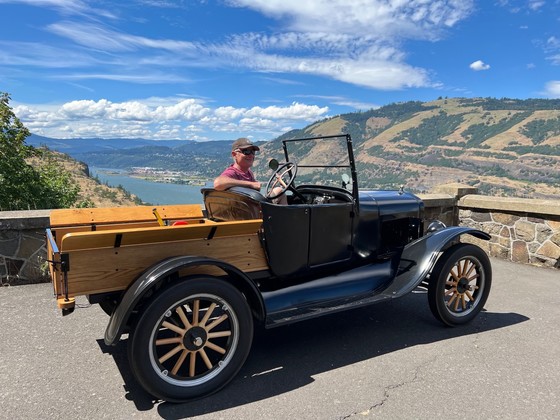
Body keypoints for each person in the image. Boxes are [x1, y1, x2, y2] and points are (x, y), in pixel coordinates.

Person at [214, 137, 288, 204]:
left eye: (253, 152)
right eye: (246, 151)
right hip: (248, 213)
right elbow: (218, 183)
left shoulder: (248, 172)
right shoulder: (232, 172)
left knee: (279, 191)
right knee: (280, 191)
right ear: (234, 154)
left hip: (251, 207)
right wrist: (251, 184)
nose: (251, 155)